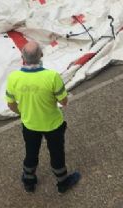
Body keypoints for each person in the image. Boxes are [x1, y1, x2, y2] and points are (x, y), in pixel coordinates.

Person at [5, 41, 81, 194]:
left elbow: (11, 105)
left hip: (30, 125)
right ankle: (62, 182)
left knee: (31, 153)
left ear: (22, 57)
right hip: (53, 125)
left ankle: (29, 181)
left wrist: (24, 113)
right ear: (41, 55)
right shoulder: (52, 77)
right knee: (57, 154)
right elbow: (63, 101)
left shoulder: (13, 78)